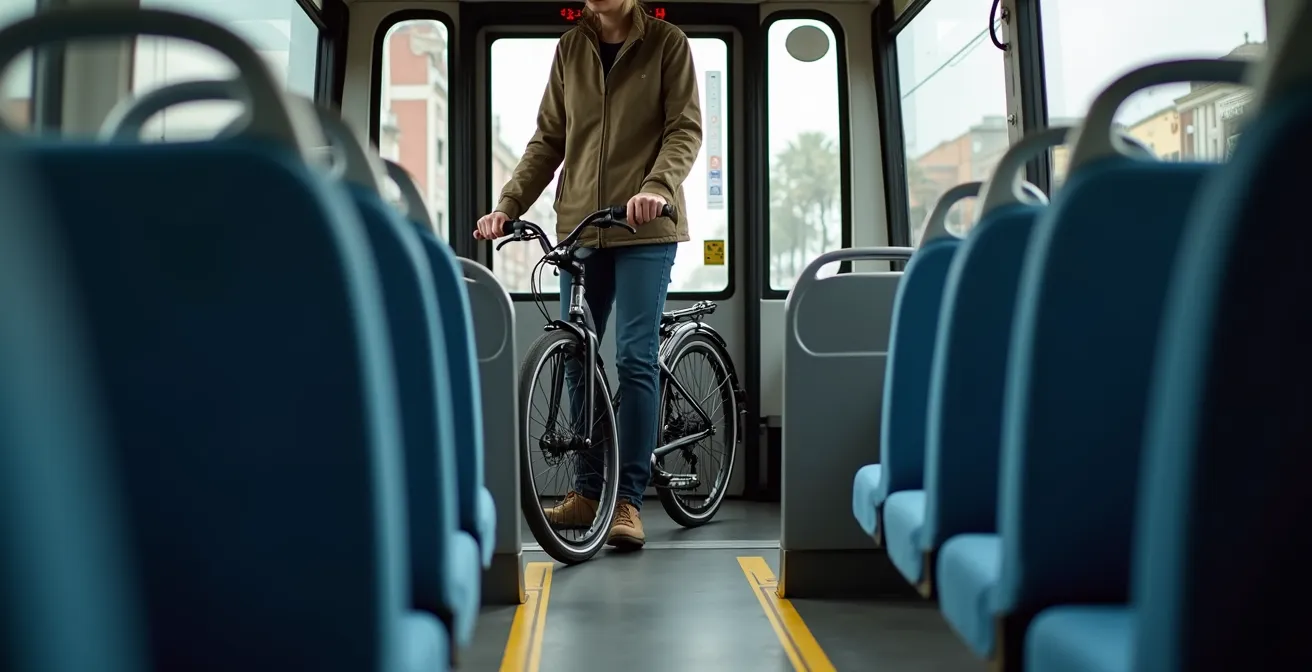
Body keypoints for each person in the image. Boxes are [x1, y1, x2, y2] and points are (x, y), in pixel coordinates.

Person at [474, 0, 702, 550]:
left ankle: (627, 501)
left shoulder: (667, 43)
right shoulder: (570, 49)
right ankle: (586, 489)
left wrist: (656, 188)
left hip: (645, 226)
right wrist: (508, 203)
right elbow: (549, 138)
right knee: (576, 355)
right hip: (581, 225)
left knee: (633, 356)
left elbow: (684, 130)